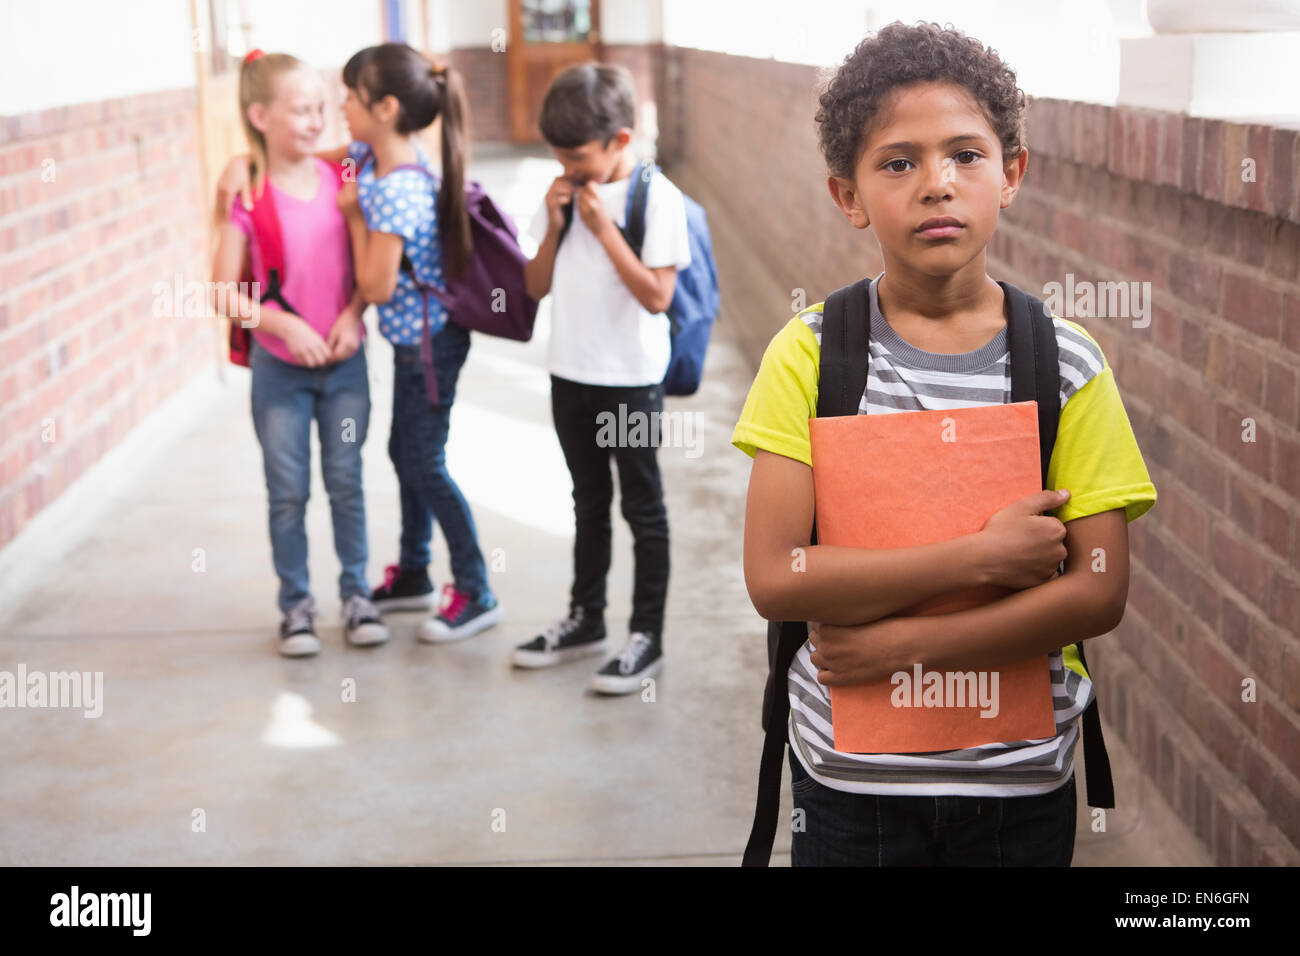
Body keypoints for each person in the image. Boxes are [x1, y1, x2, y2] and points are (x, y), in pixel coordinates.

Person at [731, 22, 1158, 865]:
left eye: (966, 154)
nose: (937, 185)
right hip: (851, 788)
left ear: (1012, 175)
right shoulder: (813, 355)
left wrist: (903, 648)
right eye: (898, 162)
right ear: (847, 196)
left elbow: (1098, 592)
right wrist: (981, 558)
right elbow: (777, 576)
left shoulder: (1064, 362)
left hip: (1019, 786)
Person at [512, 64, 691, 694]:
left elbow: (657, 297)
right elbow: (533, 287)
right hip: (570, 373)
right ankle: (586, 617)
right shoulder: (558, 194)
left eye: (578, 155)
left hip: (632, 380)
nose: (567, 165)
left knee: (642, 506)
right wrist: (559, 225)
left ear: (619, 140)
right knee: (586, 502)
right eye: (557, 154)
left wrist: (602, 230)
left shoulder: (655, 197)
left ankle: (646, 634)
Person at [210, 50, 387, 656]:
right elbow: (221, 293)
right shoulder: (248, 194)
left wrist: (351, 315)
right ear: (259, 114)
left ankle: (358, 595)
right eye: (301, 110)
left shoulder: (344, 180)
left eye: (321, 109)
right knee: (287, 490)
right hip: (279, 374)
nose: (316, 121)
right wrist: (281, 324)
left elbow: (366, 268)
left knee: (346, 480)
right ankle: (297, 607)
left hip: (345, 366)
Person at [336, 42, 502, 643]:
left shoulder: (396, 189)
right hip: (417, 345)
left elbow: (377, 286)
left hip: (429, 347)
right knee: (403, 454)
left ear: (383, 107)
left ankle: (477, 588)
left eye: (348, 99)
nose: (339, 109)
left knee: (423, 463)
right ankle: (412, 572)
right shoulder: (380, 155)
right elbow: (343, 154)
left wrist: (353, 214)